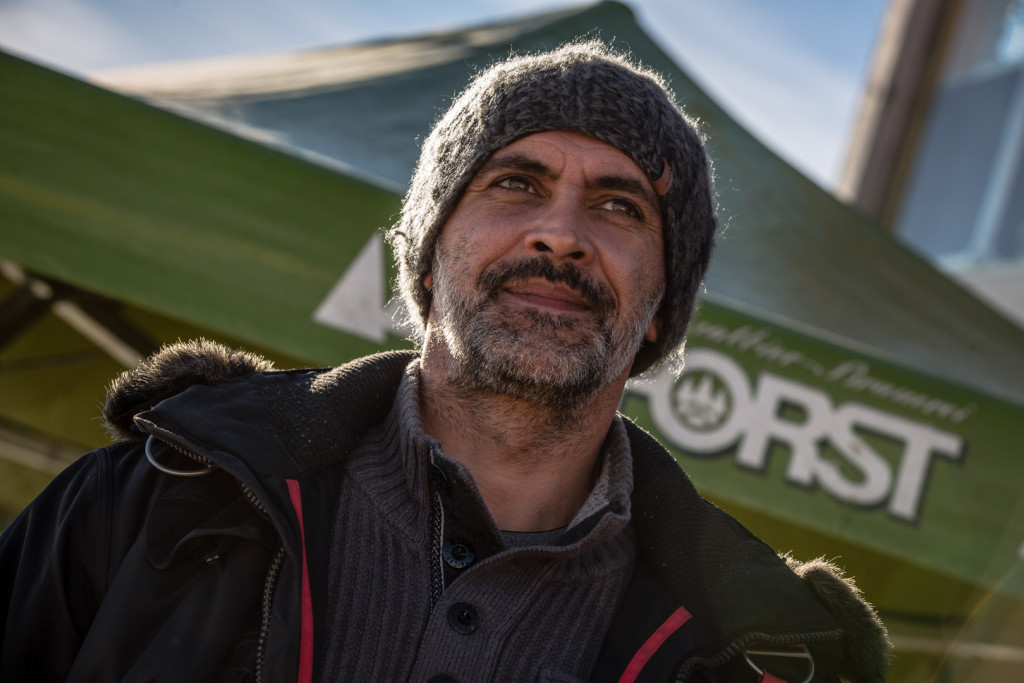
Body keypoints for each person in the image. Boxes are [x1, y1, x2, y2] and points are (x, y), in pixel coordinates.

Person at [0, 42, 889, 682]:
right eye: (516, 184)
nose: (561, 234)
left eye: (620, 206)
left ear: (661, 310)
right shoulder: (156, 497)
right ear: (427, 260)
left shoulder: (766, 652)